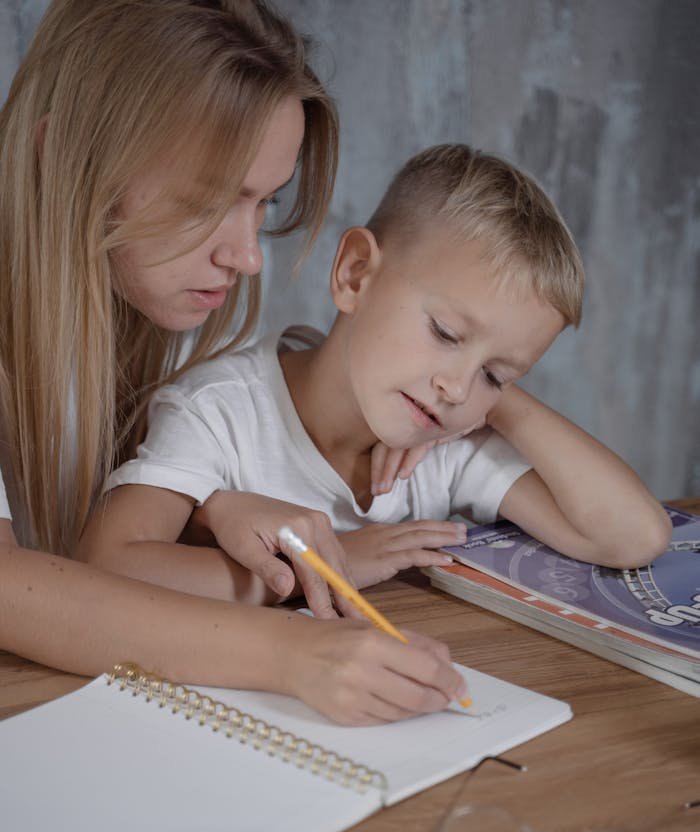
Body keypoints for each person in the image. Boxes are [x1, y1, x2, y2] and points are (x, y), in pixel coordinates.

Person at [0, 0, 466, 727]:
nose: (247, 257)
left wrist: (211, 504)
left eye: (262, 204)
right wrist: (289, 656)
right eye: (204, 202)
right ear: (59, 156)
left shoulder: (154, 308)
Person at [80, 143, 671, 612]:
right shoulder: (220, 411)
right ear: (356, 275)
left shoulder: (440, 445)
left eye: (496, 373)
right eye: (445, 334)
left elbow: (631, 536)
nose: (457, 388)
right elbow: (108, 565)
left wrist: (505, 407)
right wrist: (328, 566)